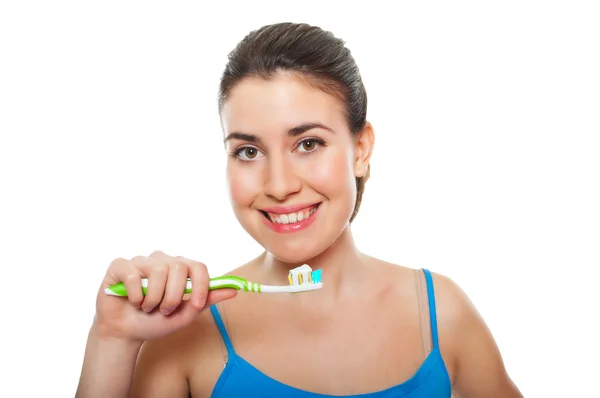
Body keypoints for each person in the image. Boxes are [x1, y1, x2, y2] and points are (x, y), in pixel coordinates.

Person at [76, 22, 522, 398]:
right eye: (248, 151)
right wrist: (111, 339)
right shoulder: (186, 332)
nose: (280, 185)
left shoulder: (441, 314)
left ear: (361, 149)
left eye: (308, 144)